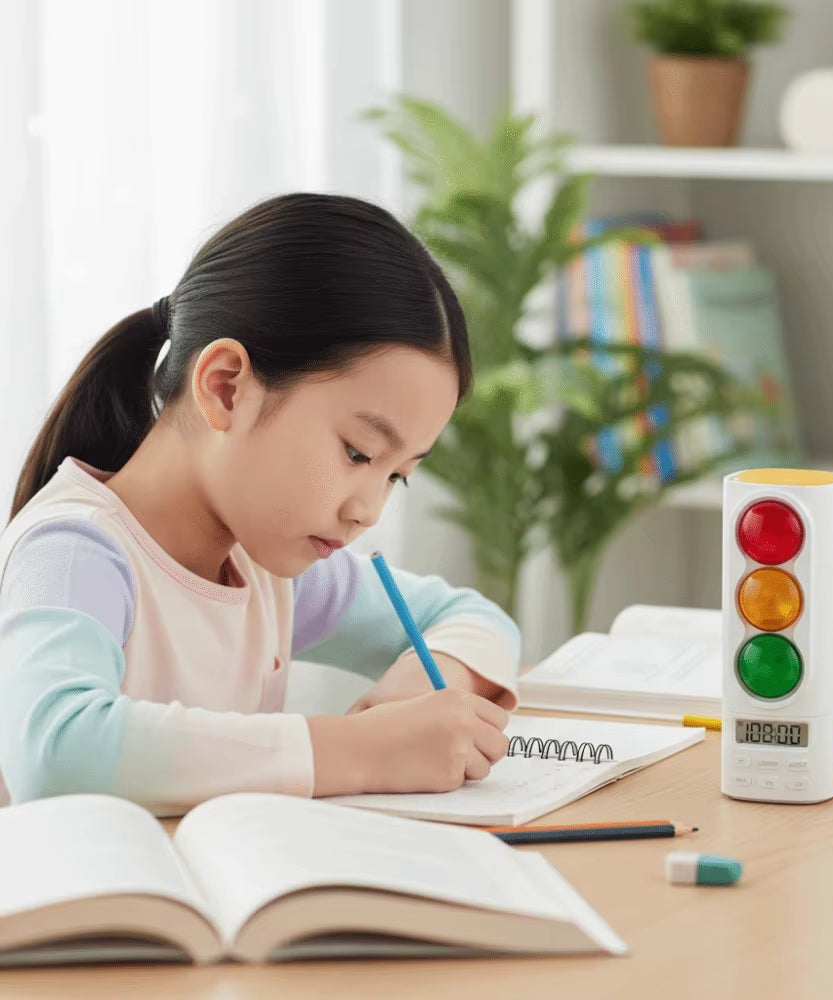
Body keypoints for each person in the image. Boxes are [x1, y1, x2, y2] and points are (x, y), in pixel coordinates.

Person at [0, 193, 518, 816]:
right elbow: (54, 753)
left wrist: (425, 686)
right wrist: (358, 750)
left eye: (398, 476)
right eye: (358, 453)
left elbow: (471, 617)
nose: (369, 511)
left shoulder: (269, 569)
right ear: (225, 386)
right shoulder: (75, 554)